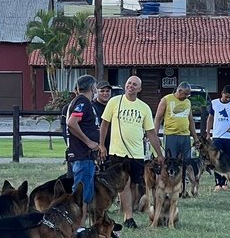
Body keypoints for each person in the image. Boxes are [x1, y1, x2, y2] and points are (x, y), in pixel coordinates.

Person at [99, 75, 163, 229]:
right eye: (129, 83)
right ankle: (129, 217)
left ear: (139, 89)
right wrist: (101, 145)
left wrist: (159, 153)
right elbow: (104, 124)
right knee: (124, 184)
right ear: (125, 85)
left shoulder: (144, 107)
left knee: (134, 184)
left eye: (135, 84)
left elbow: (151, 133)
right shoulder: (114, 102)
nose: (131, 86)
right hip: (118, 152)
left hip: (137, 153)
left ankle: (127, 210)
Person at [65, 75, 102, 216]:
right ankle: (78, 228)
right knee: (81, 196)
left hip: (85, 156)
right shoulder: (82, 101)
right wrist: (89, 142)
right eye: (96, 87)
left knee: (85, 194)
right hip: (83, 155)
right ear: (92, 87)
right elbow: (71, 122)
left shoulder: (82, 102)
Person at [154, 81, 200, 192]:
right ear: (179, 91)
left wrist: (195, 138)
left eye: (188, 94)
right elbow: (158, 118)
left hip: (185, 136)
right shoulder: (166, 99)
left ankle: (183, 187)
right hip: (171, 135)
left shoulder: (188, 103)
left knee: (185, 162)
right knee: (171, 162)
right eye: (185, 94)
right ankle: (169, 186)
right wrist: (155, 135)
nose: (186, 96)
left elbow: (191, 121)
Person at [206, 85, 230, 191]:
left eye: (229, 97)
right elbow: (210, 118)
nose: (228, 99)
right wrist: (208, 133)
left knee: (227, 161)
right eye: (226, 96)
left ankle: (225, 183)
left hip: (229, 138)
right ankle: (218, 183)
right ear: (222, 93)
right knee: (216, 161)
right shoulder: (214, 103)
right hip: (217, 136)